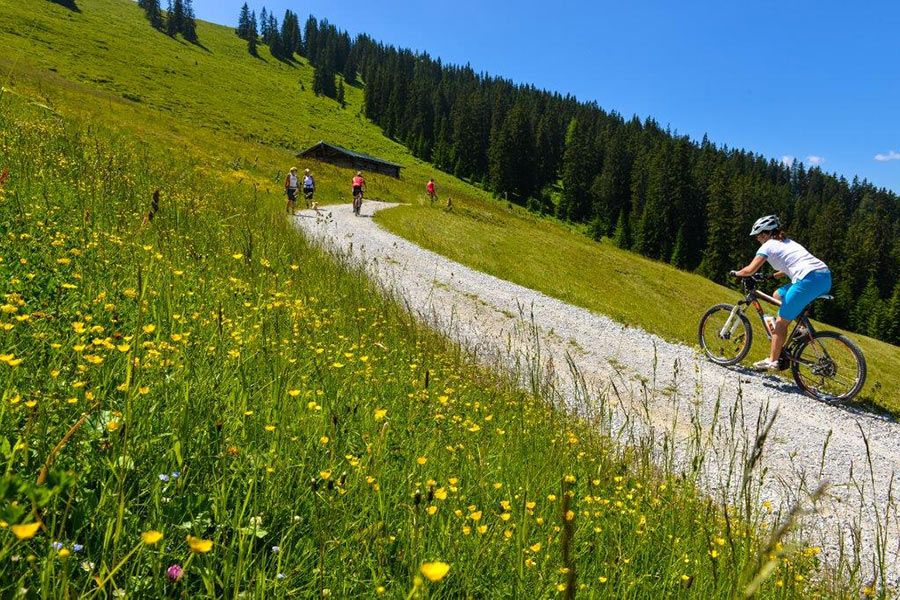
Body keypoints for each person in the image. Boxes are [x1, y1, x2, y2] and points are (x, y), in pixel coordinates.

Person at [732, 214, 831, 371]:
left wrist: (736, 273)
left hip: (807, 279)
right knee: (778, 294)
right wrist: (769, 276)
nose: (757, 239)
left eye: (758, 236)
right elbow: (786, 268)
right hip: (824, 277)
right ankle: (801, 329)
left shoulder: (768, 245)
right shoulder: (787, 243)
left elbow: (750, 269)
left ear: (765, 234)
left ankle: (772, 360)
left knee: (780, 322)